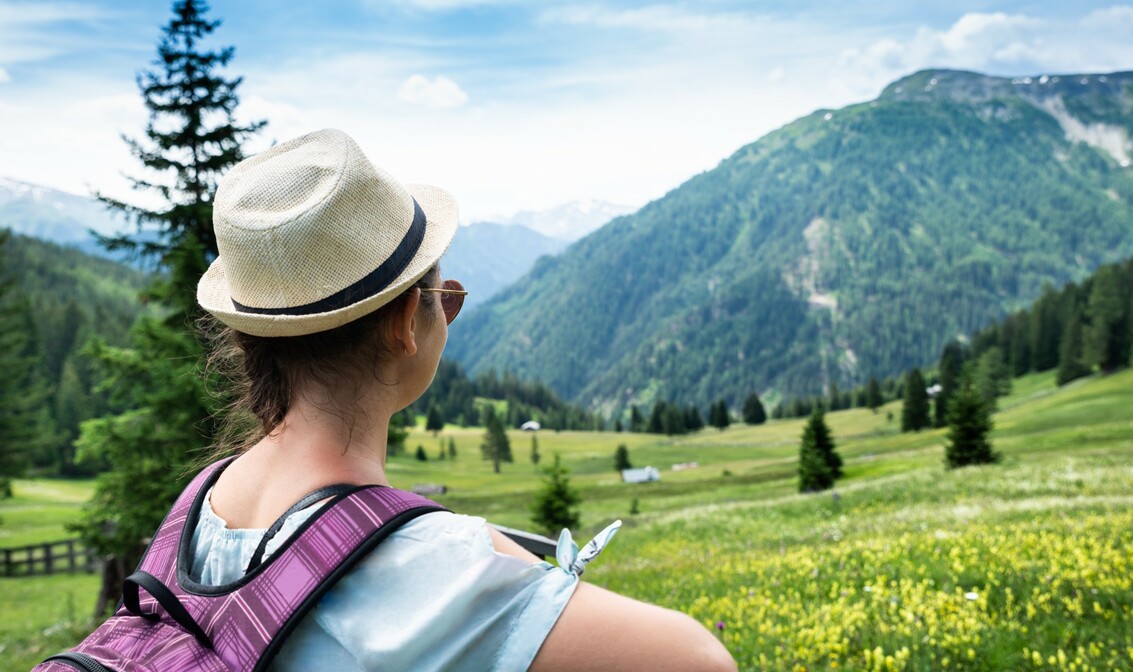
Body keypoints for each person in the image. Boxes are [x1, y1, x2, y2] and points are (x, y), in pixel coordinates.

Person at [193, 128, 737, 671]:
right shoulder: (441, 568)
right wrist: (499, 564)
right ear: (407, 323)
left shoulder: (196, 513)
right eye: (443, 296)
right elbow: (702, 660)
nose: (448, 309)